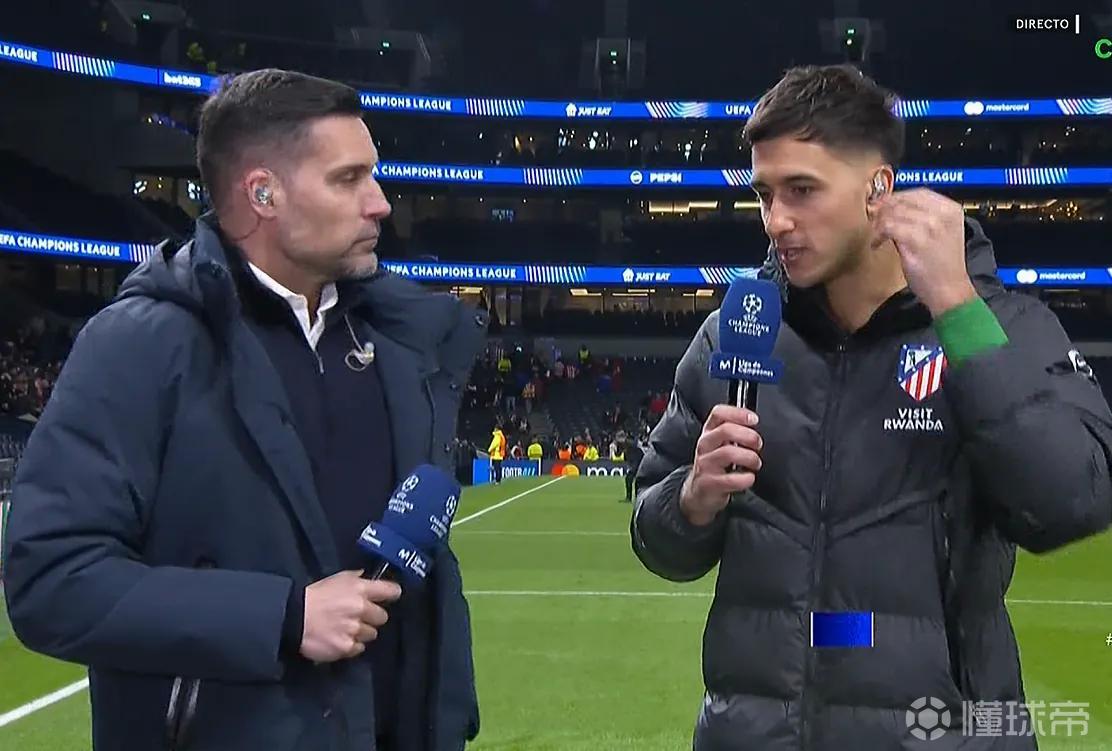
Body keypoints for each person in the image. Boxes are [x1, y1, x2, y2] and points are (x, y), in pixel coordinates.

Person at [630, 64, 1112, 750]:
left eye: (802, 190)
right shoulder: (734, 334)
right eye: (765, 194)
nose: (777, 221)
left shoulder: (999, 324)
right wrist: (691, 501)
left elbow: (1070, 502)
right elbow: (656, 538)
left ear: (878, 189)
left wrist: (957, 308)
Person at [3, 70, 485, 751]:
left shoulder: (398, 344)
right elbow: (51, 579)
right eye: (348, 179)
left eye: (373, 175)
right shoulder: (141, 345)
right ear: (263, 194)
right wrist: (283, 617)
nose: (379, 203)